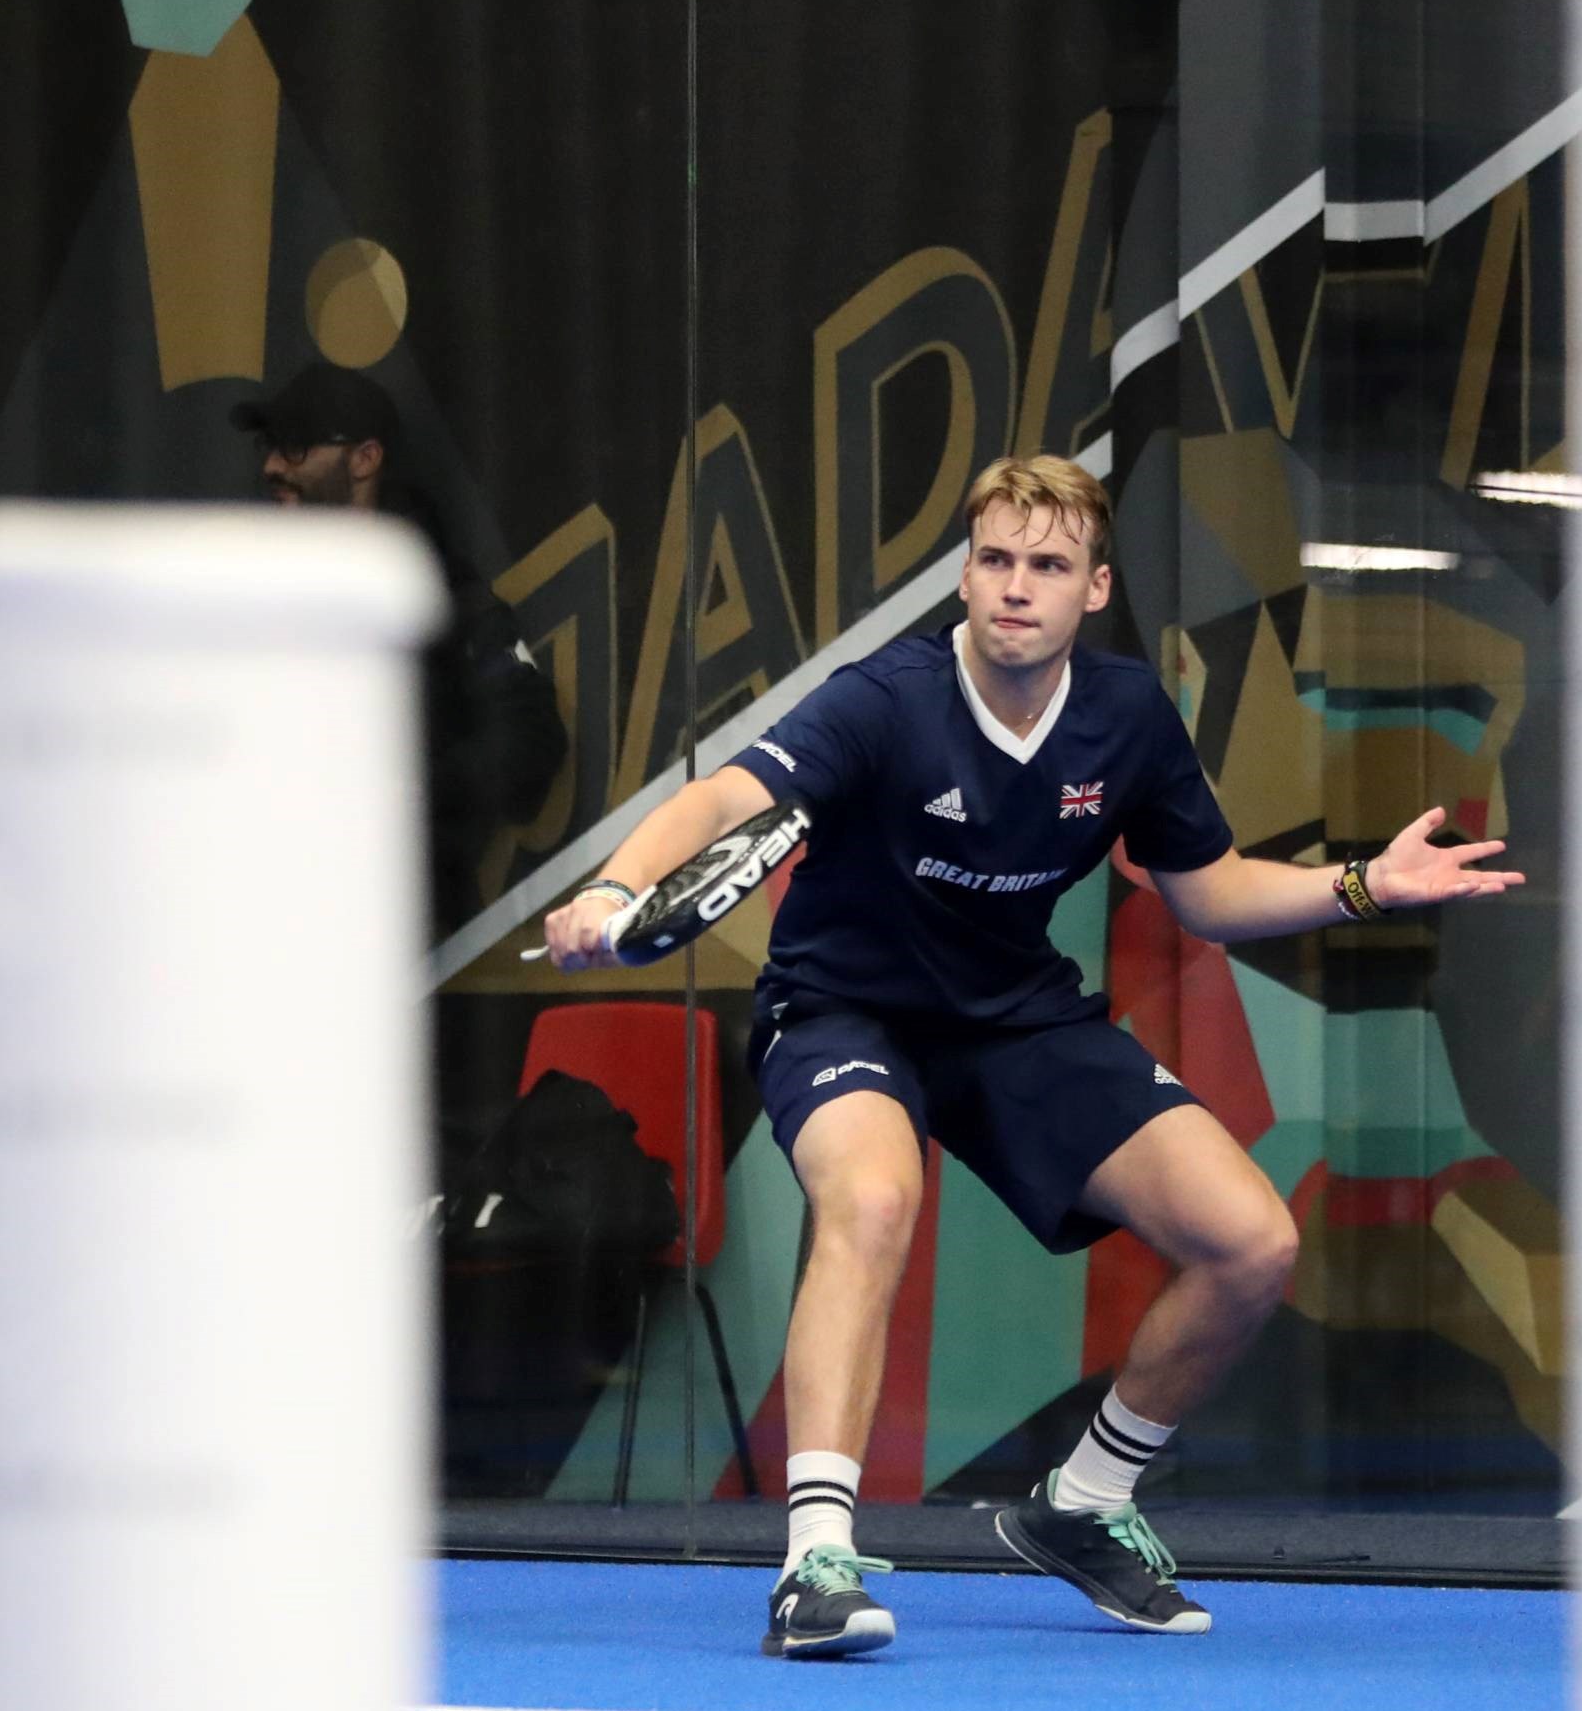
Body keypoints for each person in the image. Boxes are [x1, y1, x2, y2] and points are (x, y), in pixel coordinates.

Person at [541, 454, 1523, 1657]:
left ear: (1094, 588)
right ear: (966, 571)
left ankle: (1084, 1504)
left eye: (1047, 564)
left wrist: (1366, 884)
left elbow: (1206, 895)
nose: (1015, 586)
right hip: (845, 1010)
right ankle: (817, 1561)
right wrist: (611, 886)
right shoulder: (883, 699)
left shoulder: (1124, 721)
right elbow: (720, 800)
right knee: (875, 1193)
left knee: (1251, 1240)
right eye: (994, 558)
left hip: (1016, 1020)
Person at [232, 362, 565, 936]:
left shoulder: (439, 598)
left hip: (393, 939)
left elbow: (531, 741)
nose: (271, 466)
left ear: (364, 459)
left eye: (293, 447)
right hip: (262, 925)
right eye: (268, 447)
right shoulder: (257, 595)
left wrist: (402, 789)